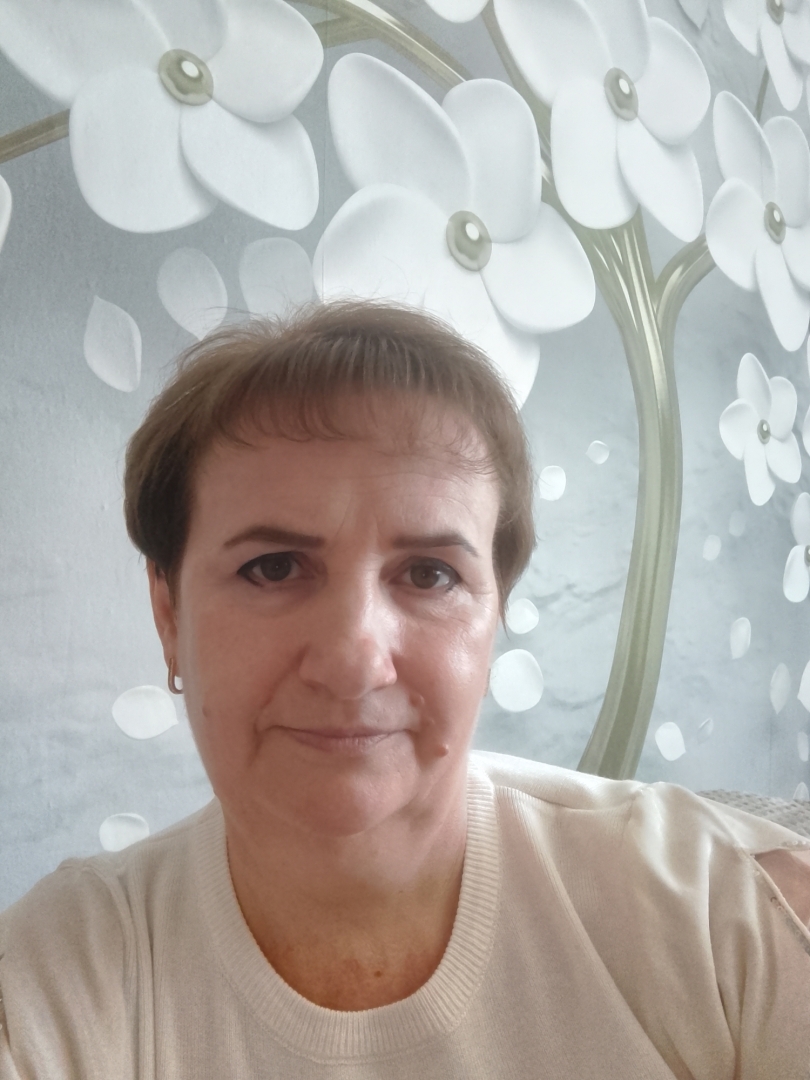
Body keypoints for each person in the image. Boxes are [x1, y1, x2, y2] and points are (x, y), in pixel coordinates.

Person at [2, 300, 810, 1079]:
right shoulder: (56, 982)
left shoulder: (719, 912)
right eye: (273, 567)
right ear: (169, 613)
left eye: (428, 575)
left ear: (494, 617)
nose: (354, 662)